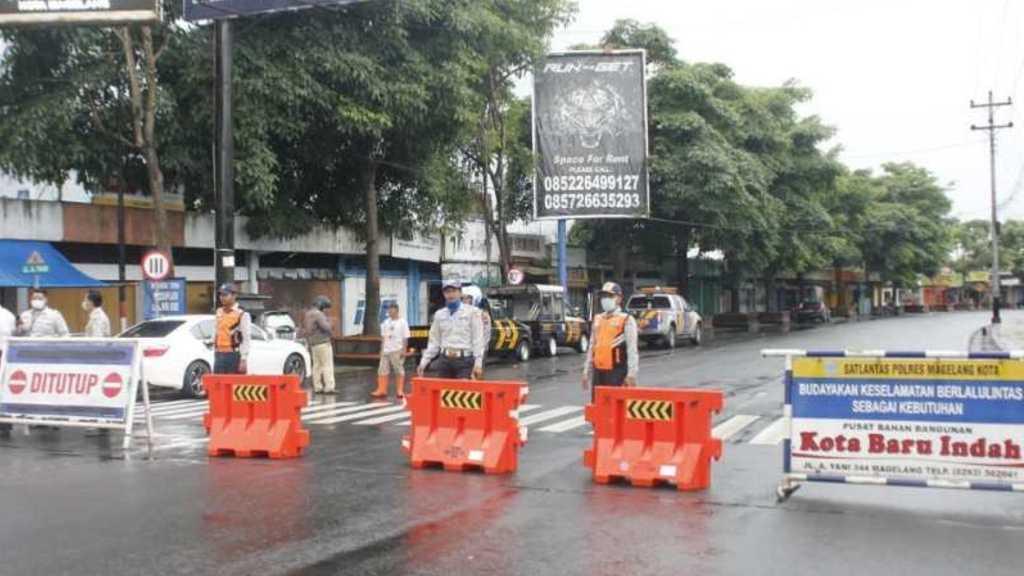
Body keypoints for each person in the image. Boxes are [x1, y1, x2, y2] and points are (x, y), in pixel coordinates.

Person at [417, 280, 485, 380]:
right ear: (444, 294)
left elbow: (478, 340)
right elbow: (434, 341)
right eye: (447, 292)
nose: (450, 294)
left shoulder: (473, 313)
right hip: (445, 361)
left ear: (460, 293)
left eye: (454, 291)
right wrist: (424, 362)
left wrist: (478, 363)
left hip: (465, 361)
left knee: (463, 393)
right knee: (444, 393)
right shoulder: (439, 314)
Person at [582, 282, 639, 396]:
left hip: (617, 372)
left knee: (615, 408)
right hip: (598, 372)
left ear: (619, 298)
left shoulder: (626, 319)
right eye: (604, 296)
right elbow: (592, 346)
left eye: (610, 296)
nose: (605, 299)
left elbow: (632, 350)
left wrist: (631, 374)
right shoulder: (598, 319)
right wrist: (586, 371)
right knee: (599, 408)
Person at [373, 302, 410, 398]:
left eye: (391, 309)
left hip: (397, 349)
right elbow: (383, 337)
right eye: (388, 309)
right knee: (382, 370)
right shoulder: (386, 322)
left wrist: (404, 350)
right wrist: (381, 349)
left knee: (398, 369)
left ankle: (399, 390)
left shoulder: (402, 322)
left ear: (396, 310)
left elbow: (405, 337)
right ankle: (382, 389)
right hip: (386, 350)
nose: (389, 311)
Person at [213, 283, 251, 374]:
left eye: (225, 295)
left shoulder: (242, 314)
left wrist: (243, 359)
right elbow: (216, 332)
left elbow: (246, 338)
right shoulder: (219, 312)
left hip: (234, 355)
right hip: (219, 354)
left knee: (234, 386)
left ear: (234, 296)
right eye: (221, 295)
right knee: (218, 385)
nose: (222, 297)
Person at [303, 295, 336, 395]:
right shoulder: (318, 314)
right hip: (323, 343)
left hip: (313, 344)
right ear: (321, 305)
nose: (325, 310)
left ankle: (317, 387)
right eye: (325, 307)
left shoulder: (308, 314)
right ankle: (329, 387)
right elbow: (326, 328)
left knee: (316, 366)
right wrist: (331, 323)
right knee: (327, 365)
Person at [461, 285, 492, 359]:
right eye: (462, 298)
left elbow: (485, 335)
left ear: (475, 298)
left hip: (477, 352)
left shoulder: (482, 315)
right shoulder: (461, 313)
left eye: (468, 298)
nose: (464, 301)